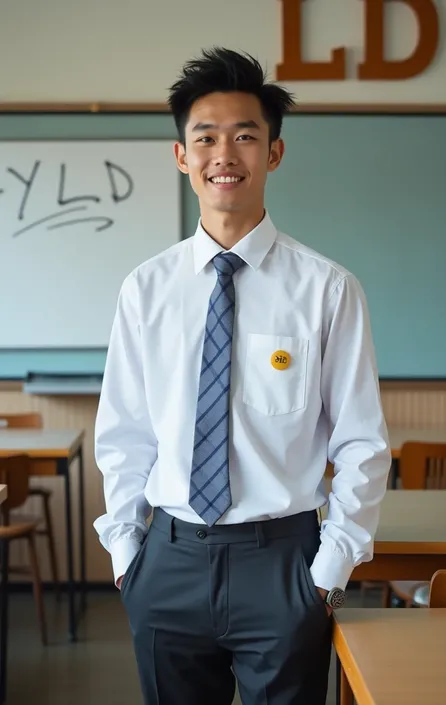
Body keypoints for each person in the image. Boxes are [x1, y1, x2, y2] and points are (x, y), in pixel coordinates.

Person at [93, 47, 391, 705]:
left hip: (283, 562)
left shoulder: (327, 288)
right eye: (205, 137)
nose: (224, 153)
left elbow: (362, 442)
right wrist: (126, 556)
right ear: (182, 157)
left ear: (274, 154)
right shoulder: (146, 289)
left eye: (245, 136)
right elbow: (124, 434)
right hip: (166, 559)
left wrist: (328, 571)